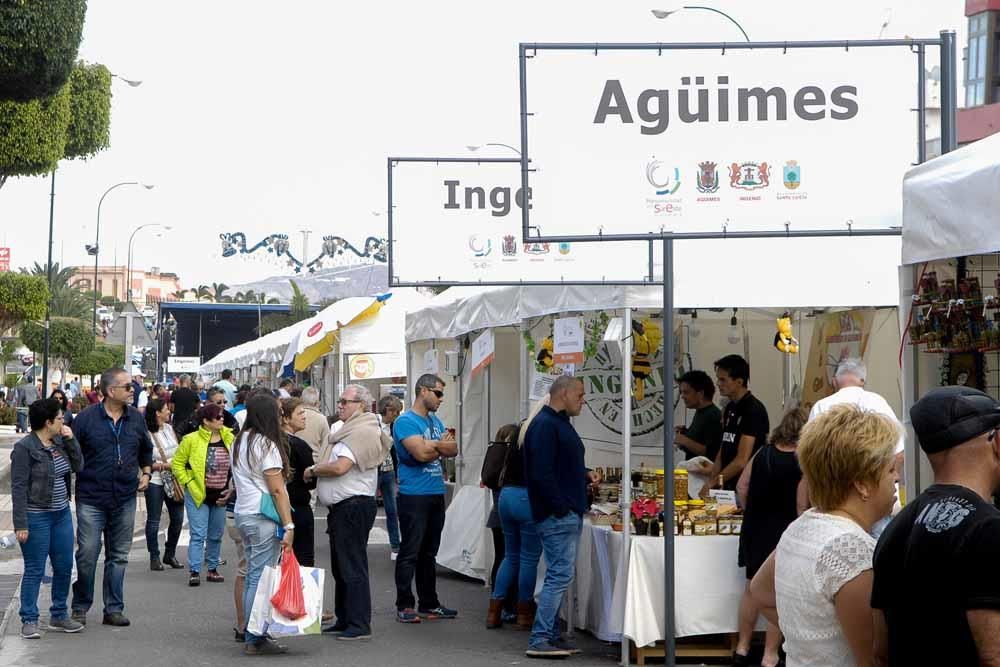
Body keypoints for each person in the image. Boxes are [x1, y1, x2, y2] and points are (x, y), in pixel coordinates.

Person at [749, 404, 899, 667]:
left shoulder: (803, 525)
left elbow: (759, 592)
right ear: (862, 484)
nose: (896, 479)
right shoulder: (851, 550)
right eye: (890, 470)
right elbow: (873, 658)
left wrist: (807, 636)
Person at [872, 386, 1000, 665]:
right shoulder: (989, 528)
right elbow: (994, 656)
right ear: (997, 441)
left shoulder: (897, 527)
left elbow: (880, 651)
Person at [523, 375, 601, 658]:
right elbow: (541, 473)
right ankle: (540, 637)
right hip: (558, 514)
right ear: (564, 394)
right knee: (558, 575)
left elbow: (558, 465)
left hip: (563, 511)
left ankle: (551, 634)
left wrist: (583, 473)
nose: (583, 400)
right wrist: (561, 506)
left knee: (559, 575)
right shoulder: (545, 425)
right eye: (580, 394)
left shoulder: (557, 423)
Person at [71, 367, 154, 627]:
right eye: (128, 386)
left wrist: (147, 473)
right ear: (110, 391)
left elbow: (145, 449)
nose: (133, 390)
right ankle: (80, 605)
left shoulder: (136, 419)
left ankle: (113, 609)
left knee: (118, 555)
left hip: (125, 496)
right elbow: (72, 455)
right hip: (91, 497)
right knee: (87, 554)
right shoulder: (85, 420)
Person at [307, 384, 390, 640]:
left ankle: (359, 623)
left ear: (361, 406)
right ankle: (345, 618)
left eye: (346, 401)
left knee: (352, 566)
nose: (340, 405)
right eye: (340, 400)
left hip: (352, 506)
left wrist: (313, 470)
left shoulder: (362, 431)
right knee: (341, 566)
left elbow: (341, 467)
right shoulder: (346, 430)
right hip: (343, 506)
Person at [732, 408, 808, 667]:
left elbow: (741, 486)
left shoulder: (762, 453)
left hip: (755, 527)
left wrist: (750, 509)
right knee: (778, 594)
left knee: (751, 589)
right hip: (784, 531)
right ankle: (770, 655)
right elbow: (801, 505)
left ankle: (741, 648)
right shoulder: (803, 461)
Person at [10, 398, 85, 639]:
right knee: (34, 568)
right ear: (48, 422)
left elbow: (78, 465)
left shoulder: (60, 442)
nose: (64, 421)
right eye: (60, 418)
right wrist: (20, 523)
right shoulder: (25, 448)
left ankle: (59, 614)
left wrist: (71, 439)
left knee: (64, 566)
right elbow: (19, 488)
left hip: (61, 514)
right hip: (36, 516)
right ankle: (29, 618)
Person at [808, 358, 904, 536]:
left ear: (835, 380)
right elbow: (898, 454)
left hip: (836, 507)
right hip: (879, 504)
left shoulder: (821, 407)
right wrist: (883, 483)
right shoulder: (878, 402)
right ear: (862, 380)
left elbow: (811, 460)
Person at [231, 393, 295, 655]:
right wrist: (289, 526)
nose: (281, 416)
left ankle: (252, 630)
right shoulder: (266, 445)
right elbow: (278, 491)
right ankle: (254, 635)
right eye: (279, 412)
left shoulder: (240, 440)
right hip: (263, 516)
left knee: (251, 575)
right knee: (259, 576)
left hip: (243, 513)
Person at [392, 374, 459, 623]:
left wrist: (433, 446)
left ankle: (429, 602)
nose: (442, 399)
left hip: (434, 492)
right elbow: (419, 454)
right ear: (423, 391)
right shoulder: (405, 421)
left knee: (429, 552)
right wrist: (437, 446)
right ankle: (404, 603)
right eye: (438, 393)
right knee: (410, 550)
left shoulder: (435, 420)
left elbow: (453, 449)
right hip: (414, 495)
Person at [488, 422, 543, 631]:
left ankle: (494, 612)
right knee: (528, 559)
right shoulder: (536, 441)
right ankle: (523, 613)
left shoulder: (509, 447)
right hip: (525, 498)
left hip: (506, 498)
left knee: (510, 556)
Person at [173, 402, 234, 587]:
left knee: (216, 534)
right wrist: (189, 483)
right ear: (206, 421)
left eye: (222, 416)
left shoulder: (230, 438)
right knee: (198, 534)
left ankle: (213, 568)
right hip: (198, 493)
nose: (221, 419)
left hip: (221, 493)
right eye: (217, 417)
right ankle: (195, 570)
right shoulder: (191, 439)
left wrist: (232, 486)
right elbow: (177, 464)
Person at [704, 355, 770, 494]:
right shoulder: (729, 408)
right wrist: (712, 482)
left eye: (723, 380)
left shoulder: (753, 410)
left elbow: (741, 460)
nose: (717, 383)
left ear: (739, 382)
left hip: (746, 488)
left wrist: (713, 483)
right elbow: (722, 451)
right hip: (726, 486)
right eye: (718, 378)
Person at [144, 397, 185, 571]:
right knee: (154, 520)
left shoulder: (170, 429)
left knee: (178, 518)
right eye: (166, 409)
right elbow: (143, 459)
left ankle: (170, 553)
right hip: (155, 480)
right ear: (157, 413)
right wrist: (162, 465)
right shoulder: (146, 433)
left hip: (174, 479)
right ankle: (154, 556)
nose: (169, 411)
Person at [280, 398, 317, 566]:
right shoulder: (299, 445)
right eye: (300, 413)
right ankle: (300, 593)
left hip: (275, 509)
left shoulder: (271, 441)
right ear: (286, 418)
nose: (304, 416)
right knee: (303, 560)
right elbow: (311, 482)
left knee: (279, 559)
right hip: (298, 506)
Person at [674, 370, 723, 460]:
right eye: (681, 392)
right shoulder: (700, 412)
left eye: (686, 392)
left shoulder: (713, 416)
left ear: (700, 394)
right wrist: (685, 433)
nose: (682, 396)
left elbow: (712, 453)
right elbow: (699, 441)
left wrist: (684, 440)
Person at [376, 394, 403, 557]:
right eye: (395, 412)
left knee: (392, 509)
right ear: (388, 410)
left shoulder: (394, 426)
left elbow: (395, 452)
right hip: (375, 471)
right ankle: (361, 543)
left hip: (389, 471)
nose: (397, 415)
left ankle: (395, 546)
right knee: (369, 508)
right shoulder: (374, 423)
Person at [299, 386, 332, 463]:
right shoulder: (322, 418)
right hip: (314, 461)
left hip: (294, 459)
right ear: (317, 402)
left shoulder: (295, 415)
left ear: (301, 399)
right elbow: (326, 442)